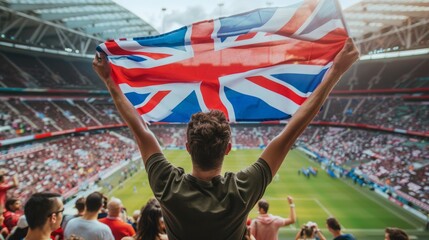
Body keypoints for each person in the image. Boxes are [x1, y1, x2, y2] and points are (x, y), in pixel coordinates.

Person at [93, 38, 359, 239]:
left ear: (187, 147)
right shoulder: (242, 190)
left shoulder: (167, 185)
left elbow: (141, 130)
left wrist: (109, 80)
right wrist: (335, 72)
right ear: (228, 148)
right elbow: (290, 133)